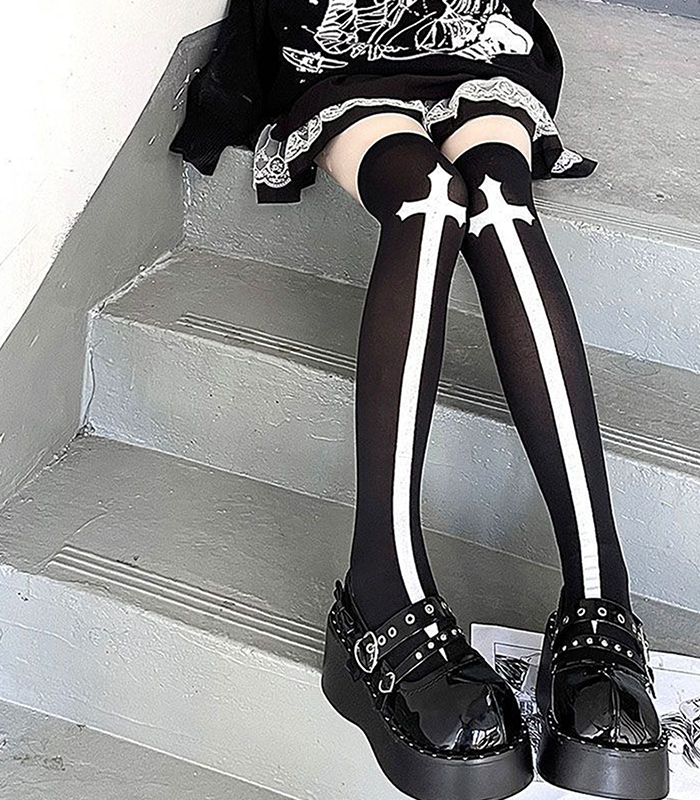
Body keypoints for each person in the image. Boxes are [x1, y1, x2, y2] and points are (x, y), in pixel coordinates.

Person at [170, 2, 668, 798]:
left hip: (468, 27)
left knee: (500, 203)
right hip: (336, 39)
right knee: (429, 201)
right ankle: (383, 587)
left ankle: (601, 587)